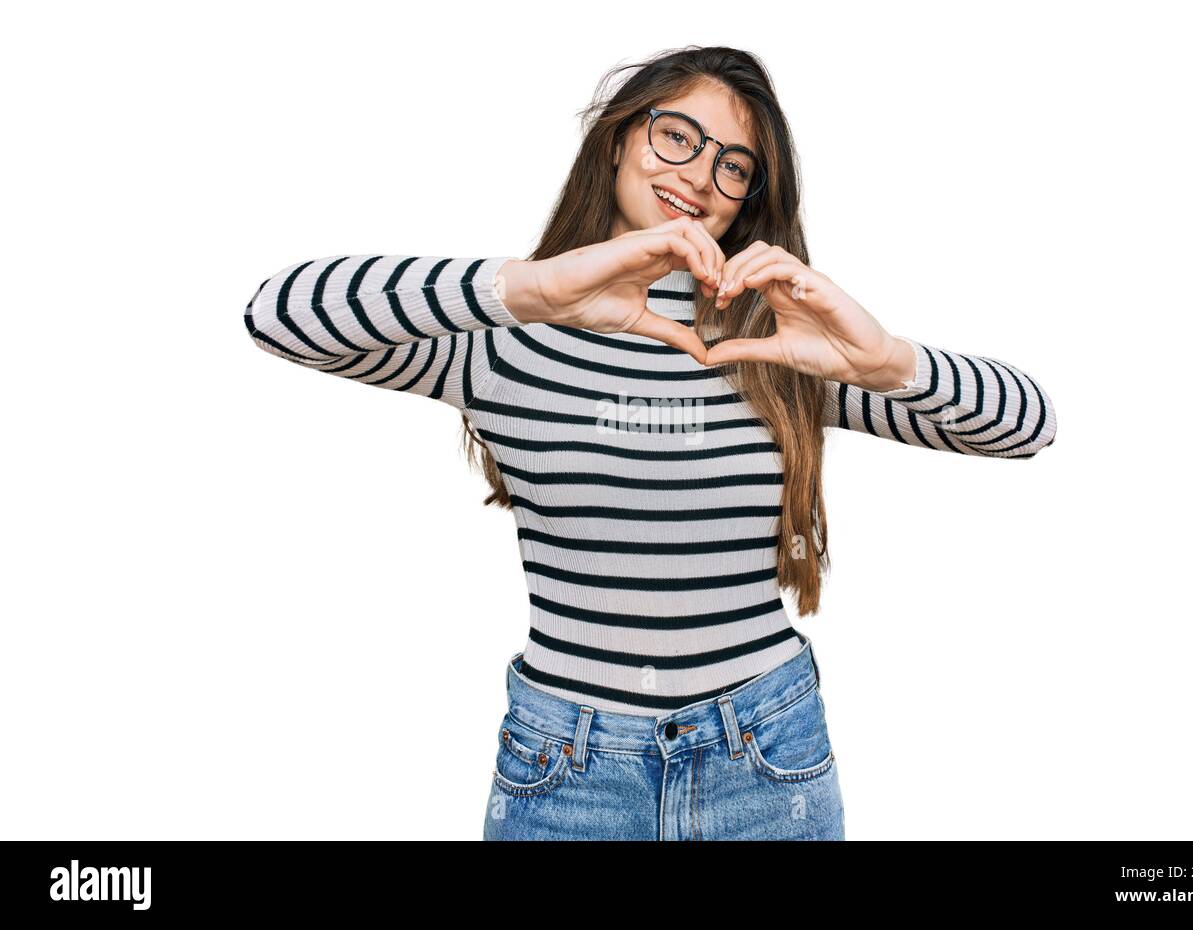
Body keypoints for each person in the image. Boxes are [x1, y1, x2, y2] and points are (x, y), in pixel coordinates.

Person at [242, 46, 1057, 840]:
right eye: (679, 137)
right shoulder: (504, 332)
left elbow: (1028, 425)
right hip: (568, 767)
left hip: (765, 758)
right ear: (621, 137)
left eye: (735, 166)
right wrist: (534, 286)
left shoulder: (776, 343)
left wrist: (883, 361)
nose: (701, 177)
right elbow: (278, 315)